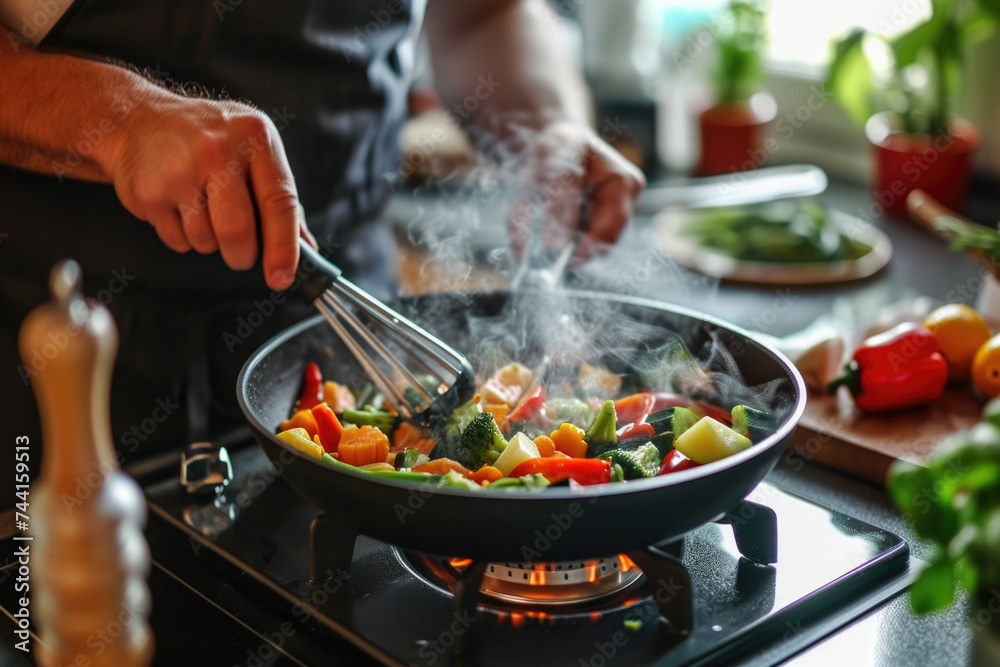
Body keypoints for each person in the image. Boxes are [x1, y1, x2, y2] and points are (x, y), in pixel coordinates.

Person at [0, 0, 645, 483]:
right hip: (61, 340)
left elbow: (482, 13)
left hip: (351, 330)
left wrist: (548, 130)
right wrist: (118, 118)